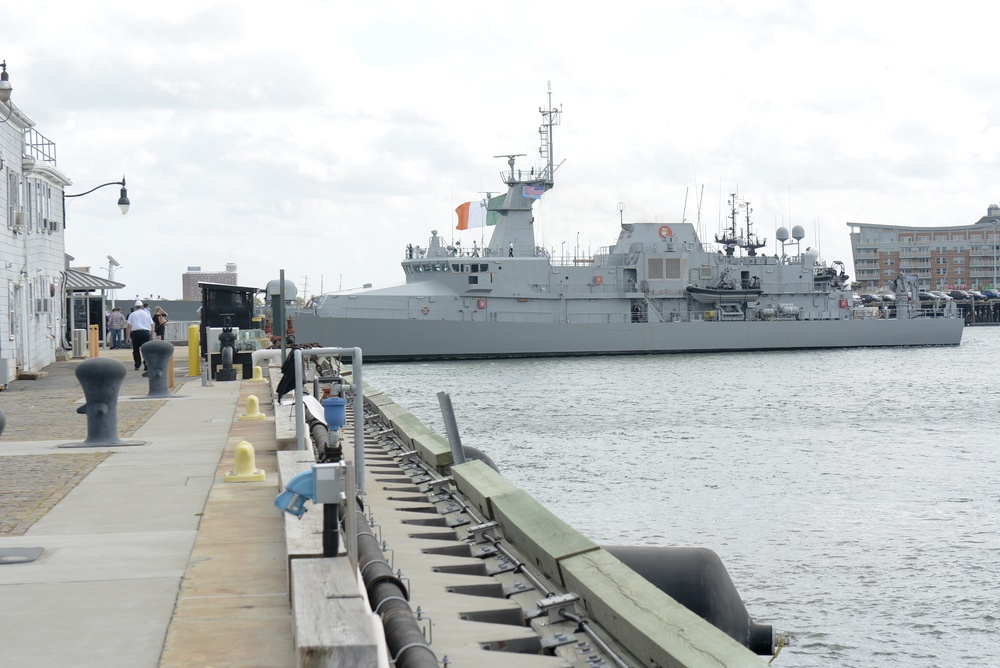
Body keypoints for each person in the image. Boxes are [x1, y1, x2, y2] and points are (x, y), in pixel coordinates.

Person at [126, 299, 154, 370]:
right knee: (145, 350)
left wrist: (128, 337)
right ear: (142, 306)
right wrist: (152, 335)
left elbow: (129, 326)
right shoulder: (147, 314)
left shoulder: (132, 315)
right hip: (146, 333)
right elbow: (152, 325)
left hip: (135, 333)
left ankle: (137, 365)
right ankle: (146, 363)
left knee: (136, 349)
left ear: (135, 307)